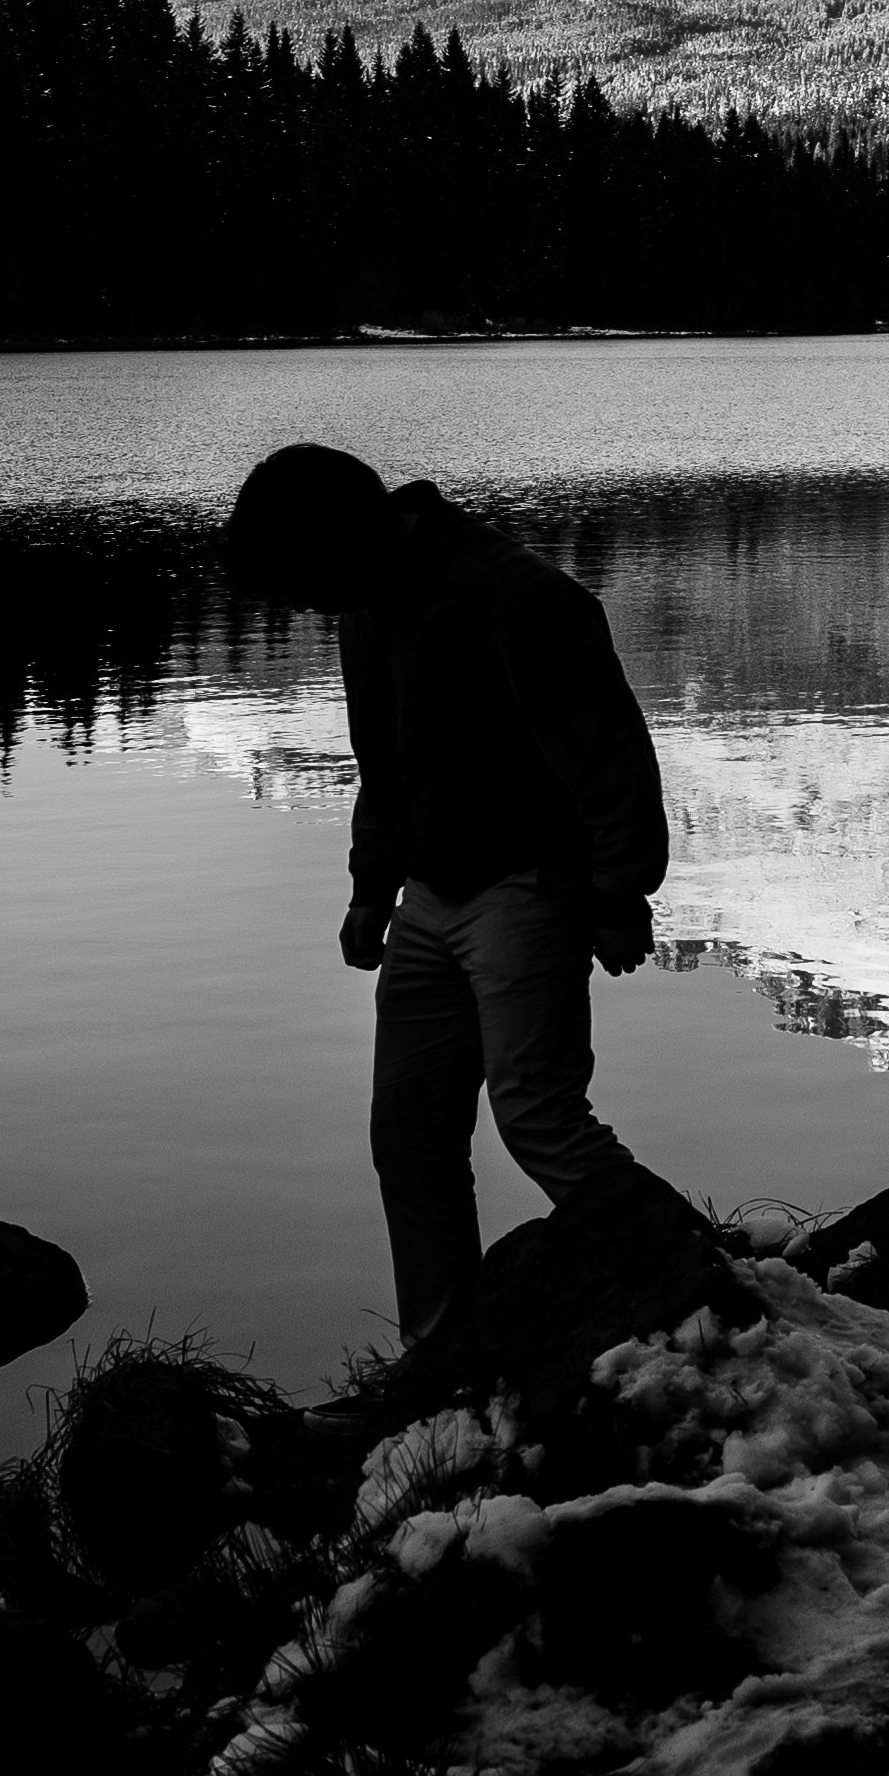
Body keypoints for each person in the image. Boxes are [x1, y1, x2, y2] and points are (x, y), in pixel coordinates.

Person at [224, 442, 667, 1341]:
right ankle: (438, 1356)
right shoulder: (367, 607)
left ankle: (690, 1275)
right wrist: (368, 889)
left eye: (303, 576)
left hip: (528, 889)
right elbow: (385, 767)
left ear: (347, 534)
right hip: (427, 898)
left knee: (540, 1118)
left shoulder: (520, 599)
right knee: (410, 1140)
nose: (305, 603)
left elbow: (612, 760)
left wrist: (619, 893)